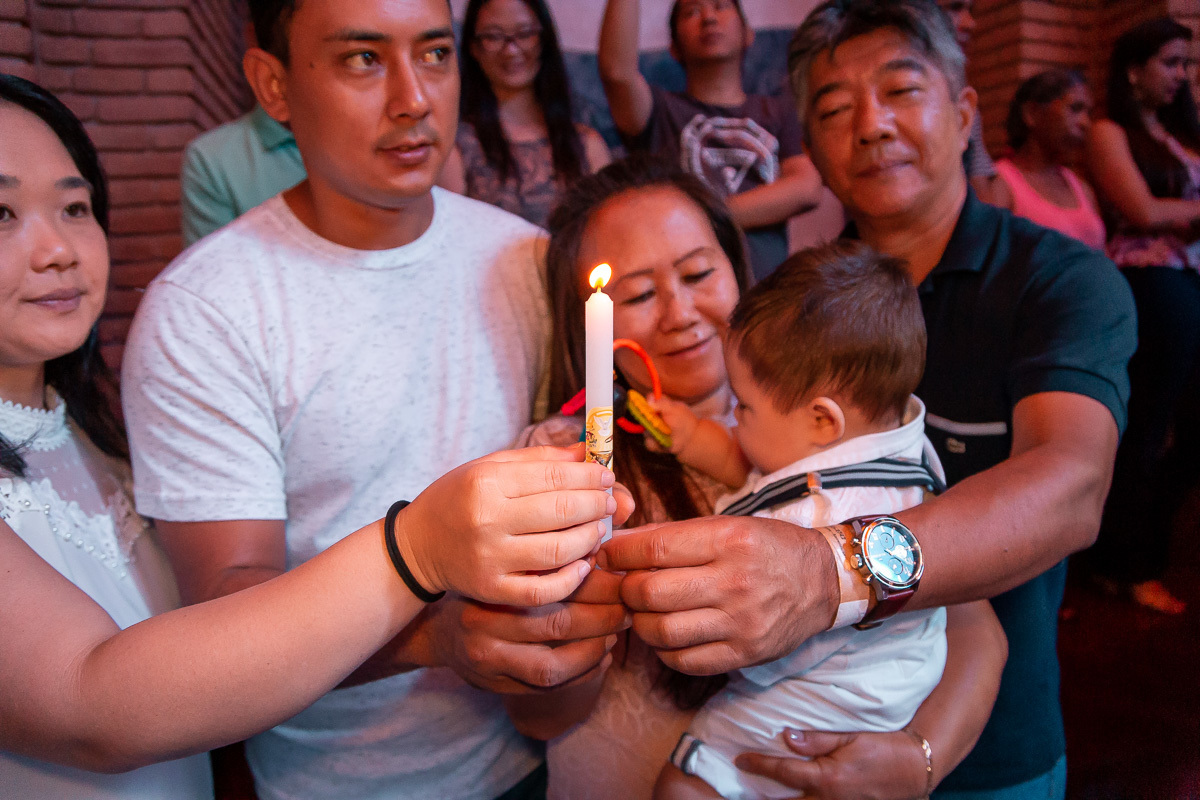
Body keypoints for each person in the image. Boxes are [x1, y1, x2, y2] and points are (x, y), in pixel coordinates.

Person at [0, 72, 613, 799]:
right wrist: (416, 548)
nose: (57, 250)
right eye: (0, 215)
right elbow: (92, 704)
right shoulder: (207, 308)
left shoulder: (87, 437)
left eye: (74, 207)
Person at [601, 2, 1138, 798]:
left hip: (992, 746)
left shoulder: (1058, 282)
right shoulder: (794, 308)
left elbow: (1070, 487)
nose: (872, 124)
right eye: (834, 108)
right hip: (787, 730)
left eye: (900, 89)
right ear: (810, 149)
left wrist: (832, 572)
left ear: (963, 114)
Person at [517, 157, 1006, 800]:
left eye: (698, 274)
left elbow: (975, 631)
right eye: (636, 295)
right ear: (591, 318)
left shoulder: (839, 429)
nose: (680, 312)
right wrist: (576, 627)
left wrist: (921, 758)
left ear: (738, 270)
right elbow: (536, 715)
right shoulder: (560, 462)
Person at [649, 243, 950, 800]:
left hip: (833, 689)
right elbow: (767, 466)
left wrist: (734, 665)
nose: (734, 419)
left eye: (744, 407)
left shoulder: (820, 517)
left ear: (821, 419)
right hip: (906, 672)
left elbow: (776, 636)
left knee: (688, 780)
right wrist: (692, 438)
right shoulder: (891, 437)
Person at [1085, 17, 1200, 615]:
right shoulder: (1110, 131)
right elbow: (1142, 208)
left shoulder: (1184, 135)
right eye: (1171, 62)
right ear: (1134, 70)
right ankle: (1124, 560)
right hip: (1151, 283)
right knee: (1147, 426)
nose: (1183, 75)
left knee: (1189, 431)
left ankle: (1138, 547)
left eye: (1187, 63)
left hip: (1190, 278)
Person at [597, 0, 822, 279]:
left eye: (721, 6)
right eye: (692, 12)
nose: (708, 19)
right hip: (686, 289)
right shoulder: (660, 111)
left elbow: (807, 187)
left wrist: (707, 214)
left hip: (768, 290)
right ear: (674, 48)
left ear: (748, 34)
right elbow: (616, 73)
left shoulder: (777, 111)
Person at [439, 0, 610, 227]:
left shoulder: (587, 145)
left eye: (525, 33)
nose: (511, 49)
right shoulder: (456, 148)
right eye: (493, 36)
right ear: (473, 47)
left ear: (543, 41)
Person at [994, 69, 1106, 250]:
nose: (1085, 123)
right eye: (1075, 109)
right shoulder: (1001, 183)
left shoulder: (1082, 189)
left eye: (1088, 113)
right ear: (1032, 113)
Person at [935, 0, 1010, 208]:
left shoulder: (962, 97)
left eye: (970, 10)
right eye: (955, 8)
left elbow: (984, 194)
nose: (971, 23)